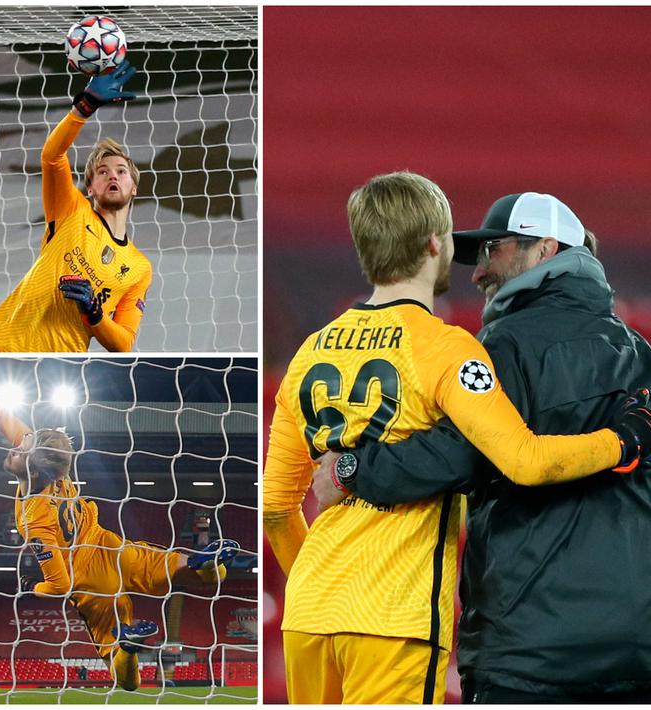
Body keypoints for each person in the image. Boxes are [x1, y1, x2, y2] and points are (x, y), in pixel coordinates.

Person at [262, 174, 648, 704]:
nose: (479, 267)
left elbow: (276, 510)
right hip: (406, 616)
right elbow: (523, 458)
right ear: (433, 245)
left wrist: (347, 484)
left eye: (493, 249)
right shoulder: (457, 350)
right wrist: (625, 442)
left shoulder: (310, 353)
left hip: (329, 617)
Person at [0, 402, 239, 690]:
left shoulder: (33, 518)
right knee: (181, 567)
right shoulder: (54, 469)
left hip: (91, 583)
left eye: (23, 447)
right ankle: (210, 565)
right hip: (110, 547)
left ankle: (126, 648)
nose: (16, 445)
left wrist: (32, 586)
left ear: (33, 472)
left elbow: (60, 585)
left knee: (127, 680)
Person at [0, 60, 152, 352]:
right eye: (102, 172)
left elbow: (124, 343)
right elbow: (52, 156)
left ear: (134, 188)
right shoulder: (71, 210)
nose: (112, 175)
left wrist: (94, 312)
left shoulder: (139, 268)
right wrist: (84, 108)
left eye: (121, 171)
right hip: (0, 343)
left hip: (54, 363)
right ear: (90, 188)